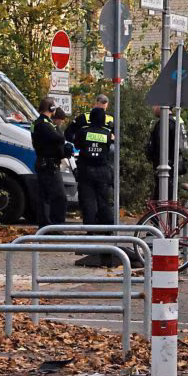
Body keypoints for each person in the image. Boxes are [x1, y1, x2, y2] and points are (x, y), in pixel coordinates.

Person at [72, 108, 116, 260]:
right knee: (104, 199)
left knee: (87, 199)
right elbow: (111, 147)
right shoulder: (107, 133)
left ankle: (90, 228)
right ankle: (108, 227)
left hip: (86, 170)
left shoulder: (83, 132)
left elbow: (76, 144)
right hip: (102, 170)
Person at [30, 98, 69, 227]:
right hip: (49, 165)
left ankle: (45, 225)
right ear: (51, 109)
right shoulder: (44, 124)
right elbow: (58, 138)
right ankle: (55, 225)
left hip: (43, 162)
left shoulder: (36, 123)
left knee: (45, 197)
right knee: (59, 197)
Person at [144, 113, 183, 202]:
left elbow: (159, 145)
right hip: (173, 164)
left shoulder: (165, 122)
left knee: (163, 195)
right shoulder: (176, 120)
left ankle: (164, 215)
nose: (153, 108)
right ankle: (170, 215)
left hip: (165, 165)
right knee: (168, 195)